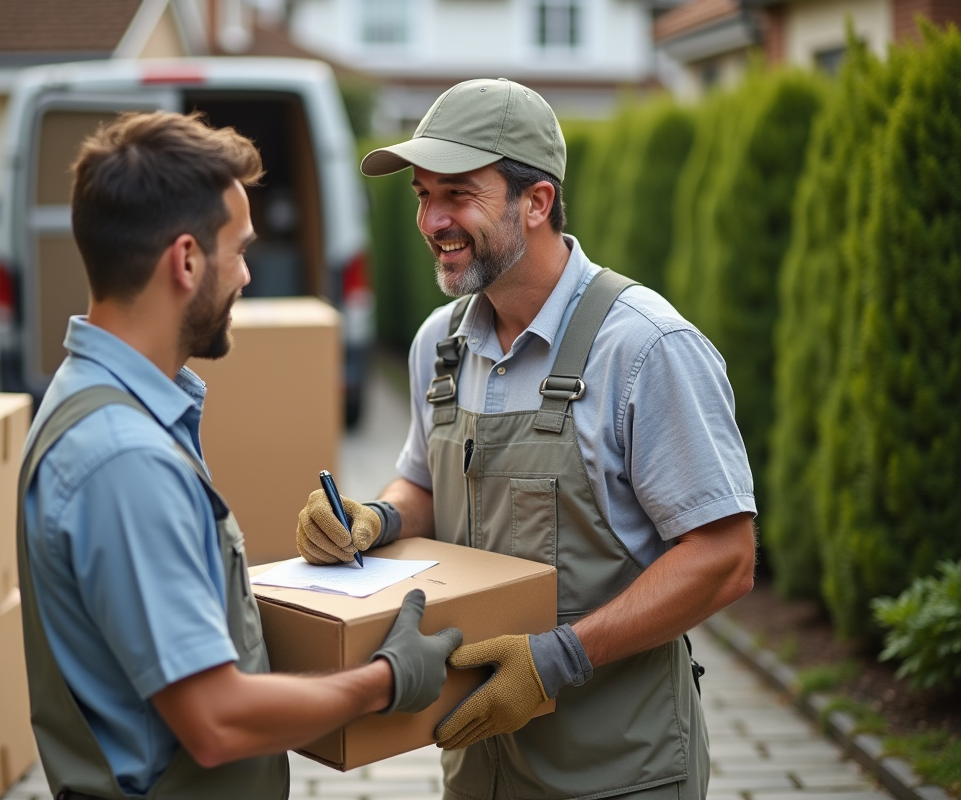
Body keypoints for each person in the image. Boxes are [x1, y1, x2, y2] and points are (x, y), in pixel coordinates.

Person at [295, 78, 757, 800]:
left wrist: (558, 658)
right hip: (477, 767)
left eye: (457, 194)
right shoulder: (439, 345)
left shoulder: (643, 348)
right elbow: (423, 482)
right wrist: (375, 519)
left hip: (619, 773)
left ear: (536, 202)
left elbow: (725, 557)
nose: (431, 220)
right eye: (422, 195)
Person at [17, 110, 463, 800]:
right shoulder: (123, 458)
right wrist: (385, 680)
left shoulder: (99, 402)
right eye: (240, 249)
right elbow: (215, 721)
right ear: (187, 260)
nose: (248, 275)